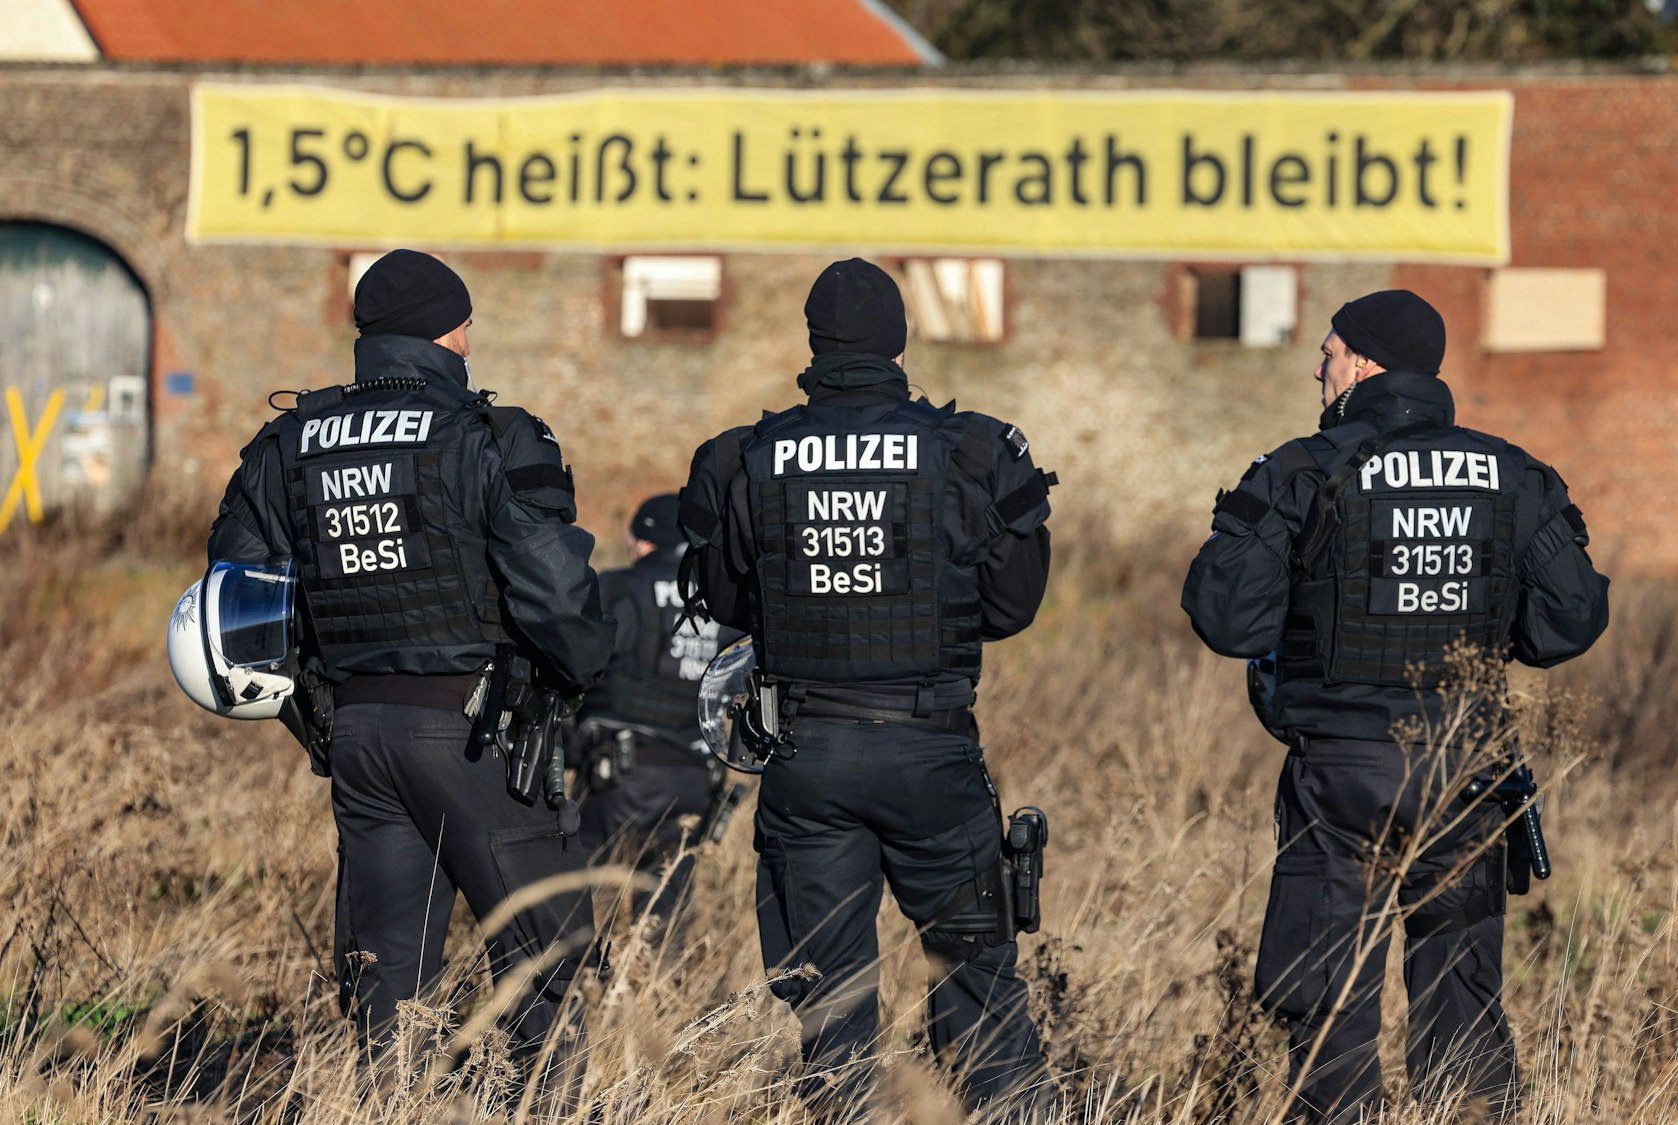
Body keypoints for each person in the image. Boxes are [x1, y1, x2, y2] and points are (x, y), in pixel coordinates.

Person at [1182, 290, 1610, 1123]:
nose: (1319, 365)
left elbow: (1225, 616)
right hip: (1467, 768)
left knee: (1330, 998)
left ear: (1366, 364)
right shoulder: (1514, 473)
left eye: (1330, 350)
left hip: (1343, 775)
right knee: (1463, 1003)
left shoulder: (1306, 465)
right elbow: (1572, 621)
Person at [206, 249, 614, 1108]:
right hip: (476, 734)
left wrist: (316, 704)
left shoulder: (290, 443)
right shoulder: (485, 435)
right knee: (545, 968)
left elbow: (235, 590)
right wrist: (576, 678)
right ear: (451, 330)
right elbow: (558, 592)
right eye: (467, 323)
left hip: (358, 738)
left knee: (386, 994)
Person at [678, 258, 1056, 1113]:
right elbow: (1014, 602)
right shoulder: (971, 450)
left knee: (831, 1008)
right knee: (980, 993)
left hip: (806, 756)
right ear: (899, 340)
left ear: (814, 342)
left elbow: (732, 602)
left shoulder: (745, 457)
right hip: (932, 752)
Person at [572, 492, 744, 942]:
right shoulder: (723, 601)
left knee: (580, 906)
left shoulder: (618, 587)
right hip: (695, 780)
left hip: (619, 775)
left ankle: (579, 1000)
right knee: (666, 920)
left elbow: (581, 661)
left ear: (644, 541)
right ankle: (657, 999)